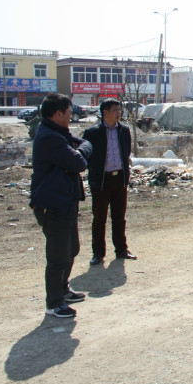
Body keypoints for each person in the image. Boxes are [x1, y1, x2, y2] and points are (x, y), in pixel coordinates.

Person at [30, 93, 93, 318]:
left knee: (71, 249)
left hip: (66, 200)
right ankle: (54, 303)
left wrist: (77, 154)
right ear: (57, 114)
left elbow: (85, 144)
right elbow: (80, 162)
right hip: (53, 204)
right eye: (68, 112)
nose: (70, 115)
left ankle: (63, 289)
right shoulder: (49, 137)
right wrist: (77, 157)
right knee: (58, 256)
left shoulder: (59, 133)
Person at [82, 98, 136, 265]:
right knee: (99, 219)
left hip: (119, 178)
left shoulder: (124, 130)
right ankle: (98, 254)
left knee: (119, 217)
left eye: (119, 109)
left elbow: (126, 152)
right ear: (105, 112)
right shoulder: (92, 132)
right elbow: (87, 156)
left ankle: (121, 250)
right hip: (101, 181)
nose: (119, 113)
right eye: (115, 110)